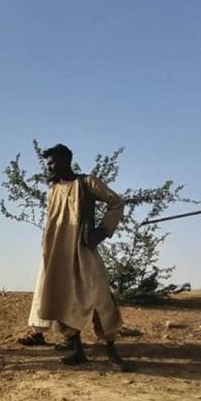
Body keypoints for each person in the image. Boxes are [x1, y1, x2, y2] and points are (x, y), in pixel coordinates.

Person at [19, 143, 131, 371]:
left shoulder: (87, 183)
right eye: (47, 163)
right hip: (56, 252)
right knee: (61, 297)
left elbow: (116, 202)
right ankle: (77, 350)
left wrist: (102, 231)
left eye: (52, 163)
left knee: (99, 295)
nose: (49, 167)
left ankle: (112, 350)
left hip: (83, 249)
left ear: (65, 161)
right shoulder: (52, 189)